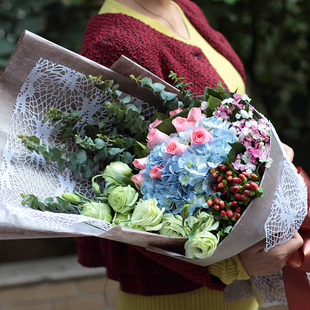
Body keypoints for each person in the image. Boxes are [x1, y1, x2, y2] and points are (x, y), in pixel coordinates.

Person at [76, 0, 303, 309]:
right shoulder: (112, 41)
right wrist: (228, 267)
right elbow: (115, 196)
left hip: (239, 287)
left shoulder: (183, 7)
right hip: (180, 296)